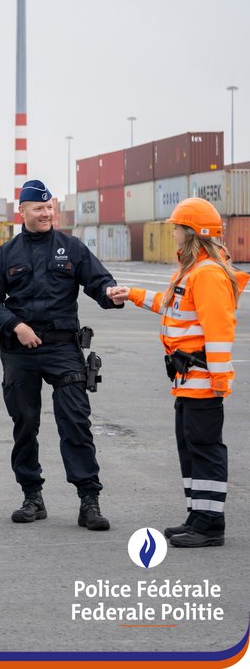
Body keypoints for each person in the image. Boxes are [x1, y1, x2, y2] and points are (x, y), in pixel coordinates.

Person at [0, 179, 123, 531]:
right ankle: (32, 497)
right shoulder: (6, 254)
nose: (45, 213)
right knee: (25, 424)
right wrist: (16, 325)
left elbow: (99, 283)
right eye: (38, 208)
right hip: (19, 351)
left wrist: (110, 295)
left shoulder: (71, 248)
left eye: (49, 207)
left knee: (75, 421)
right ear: (22, 211)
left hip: (62, 349)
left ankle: (89, 500)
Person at [107, 198, 248, 547]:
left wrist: (218, 381)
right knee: (190, 448)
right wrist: (135, 295)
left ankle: (210, 524)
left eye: (176, 228)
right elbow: (172, 307)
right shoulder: (191, 271)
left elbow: (219, 332)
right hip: (187, 380)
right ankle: (197, 515)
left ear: (192, 232)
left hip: (202, 381)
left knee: (204, 448)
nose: (172, 233)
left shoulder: (209, 274)